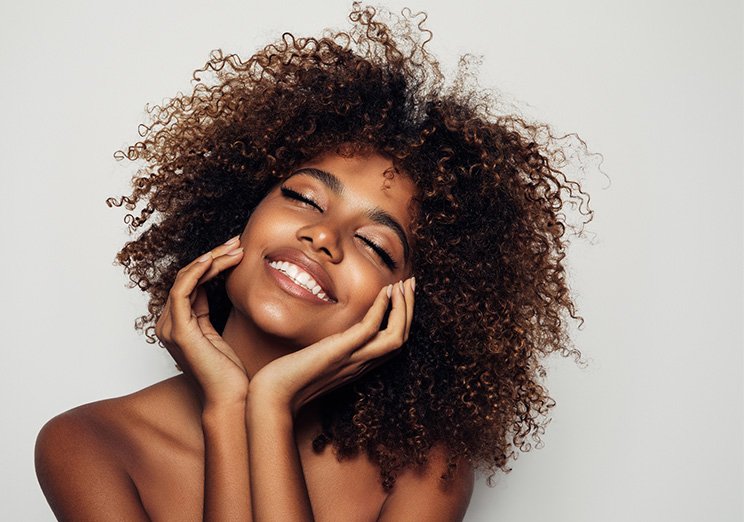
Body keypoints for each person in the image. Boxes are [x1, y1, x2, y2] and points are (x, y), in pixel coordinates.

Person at [35, 4, 590, 520]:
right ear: (241, 211)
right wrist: (229, 407)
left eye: (376, 245)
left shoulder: (422, 471)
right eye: (303, 198)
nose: (324, 236)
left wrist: (268, 407)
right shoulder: (92, 443)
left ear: (410, 299)